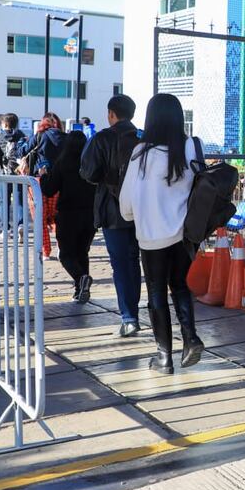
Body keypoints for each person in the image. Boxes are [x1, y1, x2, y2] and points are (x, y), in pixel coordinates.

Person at [119, 93, 205, 374]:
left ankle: (163, 357)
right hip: (185, 234)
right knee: (180, 285)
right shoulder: (190, 146)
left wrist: (133, 215)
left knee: (156, 291)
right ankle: (190, 339)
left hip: (151, 235)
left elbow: (126, 204)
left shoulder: (140, 153)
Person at [80, 95, 143, 337]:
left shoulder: (102, 138)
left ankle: (129, 317)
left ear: (111, 114)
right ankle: (134, 312)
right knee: (134, 260)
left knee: (120, 263)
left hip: (112, 210)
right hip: (141, 209)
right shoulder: (142, 137)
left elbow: (88, 172)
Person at [40, 131, 97, 304]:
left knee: (65, 254)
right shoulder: (91, 163)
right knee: (82, 253)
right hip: (90, 215)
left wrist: (43, 175)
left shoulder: (63, 163)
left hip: (68, 214)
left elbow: (49, 189)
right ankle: (81, 290)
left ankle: (80, 279)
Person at [21, 113, 65, 260]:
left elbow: (22, 151)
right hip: (58, 182)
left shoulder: (39, 136)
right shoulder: (65, 138)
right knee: (57, 216)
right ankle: (62, 246)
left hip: (38, 181)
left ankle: (45, 251)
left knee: (39, 217)